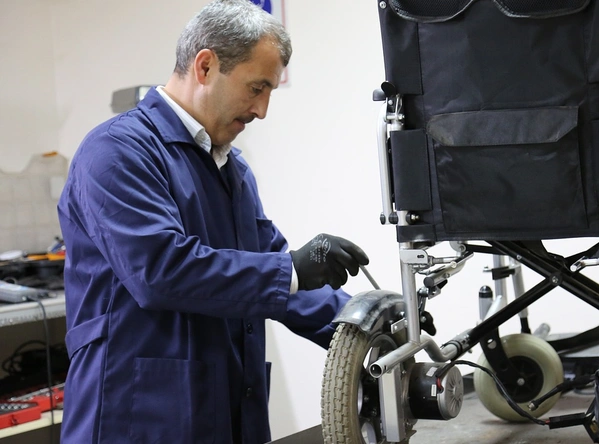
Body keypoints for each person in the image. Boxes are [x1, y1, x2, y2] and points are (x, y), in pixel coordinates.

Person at [56, 1, 369, 442]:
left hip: (223, 409)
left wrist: (366, 323)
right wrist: (292, 270)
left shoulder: (231, 168)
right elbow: (160, 271)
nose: (262, 110)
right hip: (137, 416)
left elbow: (276, 277)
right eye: (256, 88)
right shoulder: (117, 151)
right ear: (205, 66)